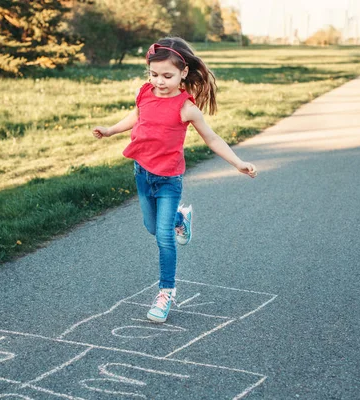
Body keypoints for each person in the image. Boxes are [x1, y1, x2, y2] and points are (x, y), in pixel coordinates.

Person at [92, 37, 257, 323]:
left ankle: (166, 292)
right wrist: (110, 130)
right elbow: (136, 116)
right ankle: (181, 220)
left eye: (167, 76)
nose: (159, 81)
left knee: (164, 238)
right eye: (153, 75)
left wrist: (238, 163)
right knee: (152, 228)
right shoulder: (144, 93)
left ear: (183, 73)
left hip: (169, 179)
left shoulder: (186, 107)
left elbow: (212, 138)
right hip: (142, 172)